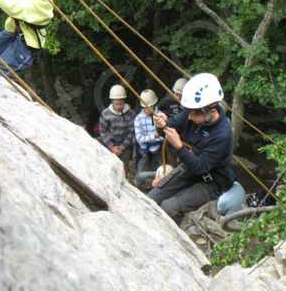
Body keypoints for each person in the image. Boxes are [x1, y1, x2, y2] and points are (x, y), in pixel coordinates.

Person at [148, 73, 235, 224]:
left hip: (211, 181)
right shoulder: (192, 111)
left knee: (169, 207)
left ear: (211, 111)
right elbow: (168, 129)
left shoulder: (222, 134)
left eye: (194, 114)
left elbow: (200, 167)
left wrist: (179, 146)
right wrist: (161, 124)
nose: (189, 117)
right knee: (152, 198)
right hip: (190, 168)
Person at [99, 85, 135, 170]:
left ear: (124, 101)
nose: (119, 106)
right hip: (111, 143)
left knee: (124, 166)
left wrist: (122, 146)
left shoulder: (131, 113)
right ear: (112, 102)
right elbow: (103, 132)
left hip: (125, 144)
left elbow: (131, 131)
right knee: (109, 166)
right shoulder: (105, 114)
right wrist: (111, 147)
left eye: (121, 104)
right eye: (116, 104)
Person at [134, 89, 163, 174]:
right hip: (144, 150)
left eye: (150, 107)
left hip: (158, 149)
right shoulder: (138, 119)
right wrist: (154, 136)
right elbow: (139, 139)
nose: (147, 109)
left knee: (157, 171)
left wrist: (157, 137)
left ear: (154, 105)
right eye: (145, 107)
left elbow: (163, 136)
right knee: (141, 173)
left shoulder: (161, 116)